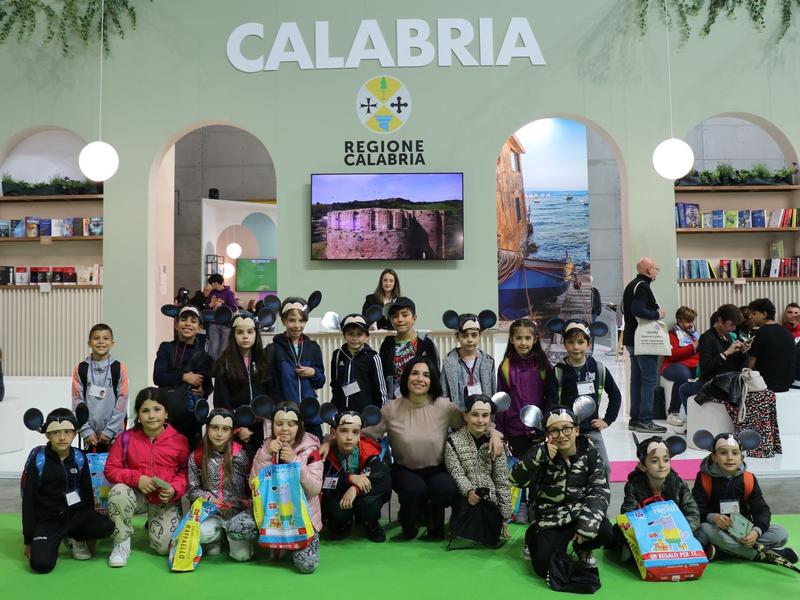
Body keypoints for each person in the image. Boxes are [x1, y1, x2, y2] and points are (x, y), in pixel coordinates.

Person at [360, 356, 503, 540]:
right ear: (406, 377)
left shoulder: (444, 406)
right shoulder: (391, 408)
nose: (420, 379)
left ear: (432, 380)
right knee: (414, 489)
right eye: (415, 373)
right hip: (405, 470)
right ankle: (408, 519)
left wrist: (495, 434)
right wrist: (331, 440)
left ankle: (434, 523)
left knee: (444, 487)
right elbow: (365, 433)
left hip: (438, 468)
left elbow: (473, 423)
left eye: (426, 375)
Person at [510, 405, 613, 579]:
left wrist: (587, 526)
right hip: (551, 518)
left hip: (579, 513)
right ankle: (532, 535)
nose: (562, 435)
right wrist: (539, 455)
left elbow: (599, 491)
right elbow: (516, 480)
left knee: (604, 530)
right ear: (548, 434)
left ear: (577, 430)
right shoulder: (541, 454)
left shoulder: (591, 454)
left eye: (566, 429)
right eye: (554, 431)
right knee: (544, 567)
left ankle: (583, 549)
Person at [22, 407, 114, 573]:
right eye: (56, 433)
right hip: (48, 520)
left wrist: (89, 535)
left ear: (74, 433)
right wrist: (29, 539)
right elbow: (28, 501)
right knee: (41, 565)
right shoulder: (39, 460)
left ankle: (73, 537)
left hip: (75, 515)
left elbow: (87, 494)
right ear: (47, 435)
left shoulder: (79, 457)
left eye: (67, 431)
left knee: (106, 526)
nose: (62, 437)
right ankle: (57, 539)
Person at [104, 387, 190, 567]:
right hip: (137, 496)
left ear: (166, 412)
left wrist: (174, 489)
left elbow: (185, 472)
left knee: (164, 548)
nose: (151, 416)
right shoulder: (125, 438)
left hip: (164, 499)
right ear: (138, 414)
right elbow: (111, 469)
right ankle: (121, 542)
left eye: (157, 409)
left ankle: (154, 521)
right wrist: (137, 479)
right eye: (145, 410)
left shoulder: (180, 440)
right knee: (118, 492)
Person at [693, 431, 797, 563]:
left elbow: (761, 510)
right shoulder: (704, 478)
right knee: (705, 529)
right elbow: (696, 508)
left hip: (743, 531)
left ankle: (725, 551)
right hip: (718, 529)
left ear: (741, 457)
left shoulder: (748, 479)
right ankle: (761, 556)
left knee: (780, 533)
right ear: (714, 457)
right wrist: (713, 517)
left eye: (735, 453)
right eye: (723, 453)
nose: (730, 458)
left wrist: (755, 532)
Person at [250, 401, 323, 573]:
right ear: (272, 425)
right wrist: (266, 454)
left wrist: (295, 461)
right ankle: (272, 544)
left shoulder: (310, 450)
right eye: (279, 423)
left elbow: (314, 489)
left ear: (300, 426)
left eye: (291, 424)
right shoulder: (266, 445)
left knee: (308, 566)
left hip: (301, 516)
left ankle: (290, 544)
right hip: (272, 513)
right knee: (237, 528)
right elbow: (254, 485)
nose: (284, 428)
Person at [494, 318, 555, 524]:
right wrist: (501, 431)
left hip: (538, 430)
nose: (523, 342)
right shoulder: (505, 367)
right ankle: (519, 505)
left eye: (527, 338)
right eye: (518, 338)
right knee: (521, 468)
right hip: (514, 429)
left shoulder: (544, 365)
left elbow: (550, 398)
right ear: (511, 339)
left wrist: (545, 427)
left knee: (537, 469)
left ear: (535, 339)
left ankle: (535, 504)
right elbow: (501, 401)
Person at [614, 435, 704, 560]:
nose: (662, 466)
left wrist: (681, 529)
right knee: (617, 532)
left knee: (701, 534)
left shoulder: (678, 484)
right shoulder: (634, 485)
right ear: (642, 465)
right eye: (655, 461)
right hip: (649, 533)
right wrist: (651, 533)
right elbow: (629, 514)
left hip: (676, 532)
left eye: (666, 460)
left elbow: (693, 512)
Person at [186, 407, 259, 562]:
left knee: (242, 556)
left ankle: (233, 537)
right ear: (207, 427)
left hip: (236, 513)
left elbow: (252, 483)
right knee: (201, 534)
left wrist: (247, 502)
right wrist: (209, 499)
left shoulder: (241, 455)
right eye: (214, 428)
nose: (219, 434)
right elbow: (192, 489)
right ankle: (216, 538)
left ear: (232, 432)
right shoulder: (197, 456)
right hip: (211, 513)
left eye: (225, 429)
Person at [553, 321, 621, 472]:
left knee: (604, 468)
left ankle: (601, 496)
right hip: (566, 432)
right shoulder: (558, 371)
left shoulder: (598, 368)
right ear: (564, 344)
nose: (575, 347)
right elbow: (551, 402)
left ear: (588, 344)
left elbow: (615, 394)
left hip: (591, 430)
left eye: (581, 342)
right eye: (570, 342)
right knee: (568, 471)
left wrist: (607, 420)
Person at [444, 394, 512, 546]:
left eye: (485, 415)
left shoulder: (496, 443)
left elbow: (501, 481)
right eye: (475, 414)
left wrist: (504, 517)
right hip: (464, 496)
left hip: (490, 498)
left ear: (490, 418)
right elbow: (456, 473)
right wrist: (469, 491)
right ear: (466, 416)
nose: (480, 420)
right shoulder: (452, 441)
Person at [321, 409, 390, 543]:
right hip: (339, 493)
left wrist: (355, 488)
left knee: (370, 503)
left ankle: (370, 523)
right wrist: (350, 479)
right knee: (334, 506)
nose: (349, 437)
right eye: (343, 431)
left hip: (363, 494)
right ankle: (342, 523)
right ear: (334, 433)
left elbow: (383, 478)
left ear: (360, 436)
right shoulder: (326, 453)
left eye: (355, 432)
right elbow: (322, 480)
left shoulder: (368, 451)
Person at [265, 295, 326, 440]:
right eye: (292, 320)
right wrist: (280, 409)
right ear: (283, 321)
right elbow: (270, 386)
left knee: (313, 458)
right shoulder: (272, 349)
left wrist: (313, 373)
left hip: (310, 416)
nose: (297, 325)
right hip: (285, 418)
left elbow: (320, 381)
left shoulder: (313, 348)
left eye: (301, 320)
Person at [153, 305, 214, 449]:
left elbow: (208, 385)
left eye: (193, 321)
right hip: (168, 413)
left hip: (191, 418)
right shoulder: (166, 348)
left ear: (199, 327)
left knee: (191, 457)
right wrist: (184, 377)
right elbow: (158, 377)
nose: (188, 324)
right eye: (183, 319)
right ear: (176, 324)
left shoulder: (204, 356)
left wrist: (203, 391)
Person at [212, 313, 271, 457]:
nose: (245, 336)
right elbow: (221, 401)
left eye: (250, 332)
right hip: (236, 425)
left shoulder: (263, 360)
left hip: (260, 425)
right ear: (233, 335)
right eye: (240, 332)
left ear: (256, 334)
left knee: (259, 466)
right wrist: (238, 428)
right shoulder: (224, 362)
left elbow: (270, 392)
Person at [622, 257, 667, 433]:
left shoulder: (632, 285)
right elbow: (637, 310)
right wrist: (657, 314)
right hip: (644, 341)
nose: (657, 271)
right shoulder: (642, 286)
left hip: (631, 339)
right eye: (656, 268)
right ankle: (645, 420)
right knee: (649, 380)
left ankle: (635, 419)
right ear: (648, 270)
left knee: (637, 380)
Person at [677, 304, 747, 416]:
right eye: (731, 325)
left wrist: (743, 353)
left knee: (683, 389)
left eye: (735, 326)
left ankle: (691, 423)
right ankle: (693, 423)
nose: (734, 329)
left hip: (725, 383)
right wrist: (726, 353)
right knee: (683, 388)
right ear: (720, 320)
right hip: (717, 382)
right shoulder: (707, 338)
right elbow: (706, 368)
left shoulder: (729, 337)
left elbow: (736, 367)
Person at [71, 323, 129, 452]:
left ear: (112, 343)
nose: (101, 342)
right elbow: (77, 402)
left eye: (106, 338)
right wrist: (85, 431)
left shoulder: (119, 368)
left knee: (113, 470)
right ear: (89, 343)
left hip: (114, 435)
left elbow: (122, 402)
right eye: (96, 338)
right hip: (89, 436)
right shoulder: (81, 369)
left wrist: (109, 431)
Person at [378, 297, 440, 399]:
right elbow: (382, 375)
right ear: (391, 320)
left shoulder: (426, 343)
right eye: (395, 316)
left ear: (414, 318)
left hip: (420, 400)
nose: (400, 319)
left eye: (405, 315)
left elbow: (435, 375)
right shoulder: (387, 344)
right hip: (394, 402)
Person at [329, 313, 388, 413]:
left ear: (366, 336)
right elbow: (335, 385)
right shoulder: (337, 355)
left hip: (365, 414)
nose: (355, 338)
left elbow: (381, 391)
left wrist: (380, 415)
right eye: (350, 334)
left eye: (359, 334)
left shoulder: (373, 357)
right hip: (342, 412)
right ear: (344, 335)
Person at [440, 311, 497, 411]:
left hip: (481, 417)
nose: (470, 340)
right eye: (464, 335)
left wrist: (491, 418)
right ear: (457, 337)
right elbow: (444, 394)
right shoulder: (449, 363)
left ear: (480, 336)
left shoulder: (488, 362)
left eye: (474, 335)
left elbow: (493, 391)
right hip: (458, 418)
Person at [660, 307, 700, 428]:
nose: (691, 324)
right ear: (680, 321)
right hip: (672, 366)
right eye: (688, 321)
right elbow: (674, 355)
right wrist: (692, 347)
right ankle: (673, 412)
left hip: (693, 365)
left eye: (692, 321)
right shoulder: (672, 335)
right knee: (684, 375)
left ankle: (698, 412)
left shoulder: (694, 335)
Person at [747, 298, 796, 392]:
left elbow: (750, 366)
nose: (750, 316)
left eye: (754, 313)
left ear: (764, 314)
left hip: (765, 386)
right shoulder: (787, 333)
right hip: (787, 385)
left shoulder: (758, 334)